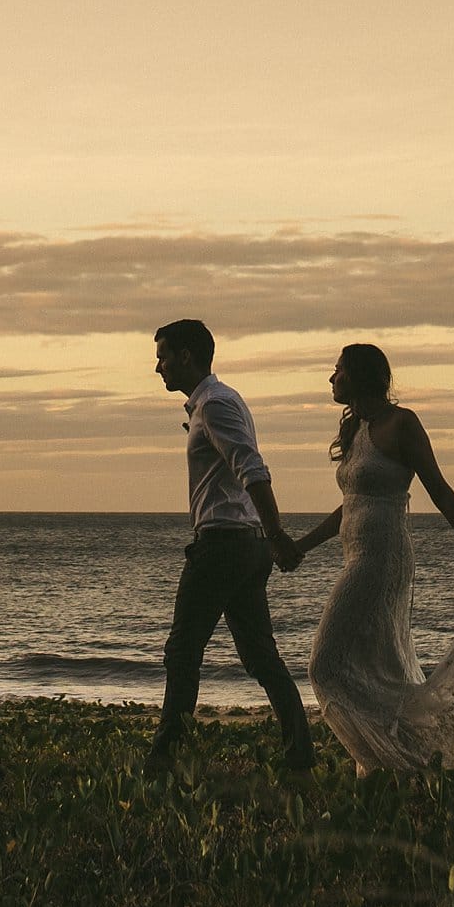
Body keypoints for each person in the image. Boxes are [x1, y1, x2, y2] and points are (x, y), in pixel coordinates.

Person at [280, 342, 454, 772]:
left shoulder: (401, 424)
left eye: (337, 371)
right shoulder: (356, 430)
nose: (331, 379)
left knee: (324, 664)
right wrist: (301, 547)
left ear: (360, 375)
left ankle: (389, 761)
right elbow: (350, 506)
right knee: (378, 666)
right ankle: (393, 763)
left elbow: (438, 488)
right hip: (357, 555)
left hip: (383, 559)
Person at [146, 318, 314, 776]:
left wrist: (278, 535)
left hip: (223, 544)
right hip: (244, 545)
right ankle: (300, 752)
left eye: (163, 356)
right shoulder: (219, 402)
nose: (157, 367)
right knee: (261, 656)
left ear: (186, 356)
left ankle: (164, 758)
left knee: (182, 653)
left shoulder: (215, 405)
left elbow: (252, 470)